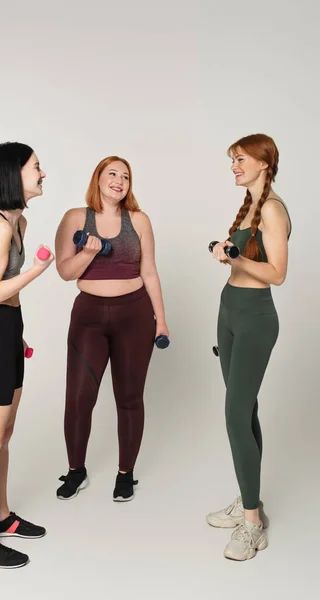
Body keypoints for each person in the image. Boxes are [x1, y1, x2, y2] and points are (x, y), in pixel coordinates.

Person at [54, 156, 169, 502]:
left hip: (134, 315)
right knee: (78, 398)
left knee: (130, 398)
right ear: (98, 179)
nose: (119, 181)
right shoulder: (76, 217)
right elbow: (64, 271)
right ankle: (76, 471)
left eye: (126, 176)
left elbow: (149, 271)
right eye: (112, 174)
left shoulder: (139, 220)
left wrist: (160, 320)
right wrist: (89, 253)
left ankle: (125, 474)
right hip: (88, 316)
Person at [0, 142, 54, 568]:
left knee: (5, 434)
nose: (42, 173)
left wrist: (18, 337)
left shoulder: (18, 221)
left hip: (8, 334)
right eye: (36, 167)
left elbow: (5, 297)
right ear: (12, 175)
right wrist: (37, 271)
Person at [207, 134, 291, 561]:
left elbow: (277, 274)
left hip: (256, 318)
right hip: (229, 312)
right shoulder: (250, 208)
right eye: (233, 160)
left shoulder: (273, 210)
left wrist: (234, 259)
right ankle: (247, 497)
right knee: (247, 411)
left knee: (235, 415)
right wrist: (225, 253)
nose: (234, 166)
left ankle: (253, 524)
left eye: (240, 159)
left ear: (263, 162)